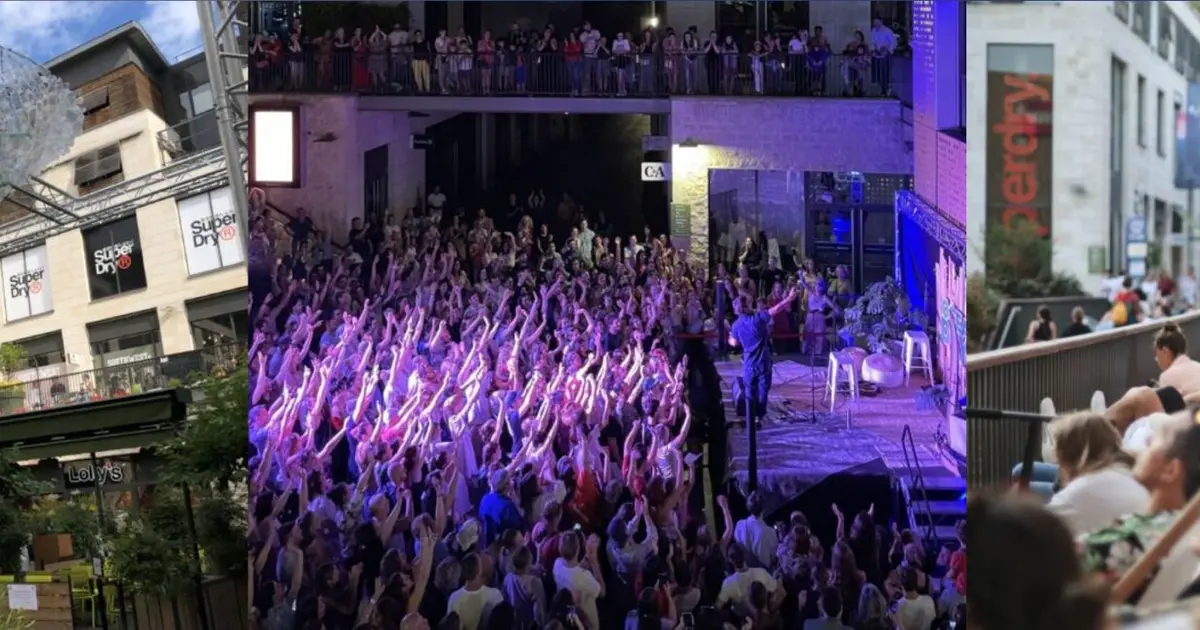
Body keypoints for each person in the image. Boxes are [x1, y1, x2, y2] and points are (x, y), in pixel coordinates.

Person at [727, 286, 798, 429]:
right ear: (746, 307)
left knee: (749, 390)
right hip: (763, 362)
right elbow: (776, 309)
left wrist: (730, 335)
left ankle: (750, 417)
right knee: (763, 390)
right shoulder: (757, 319)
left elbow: (733, 343)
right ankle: (759, 418)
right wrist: (789, 299)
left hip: (749, 363)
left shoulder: (736, 325)